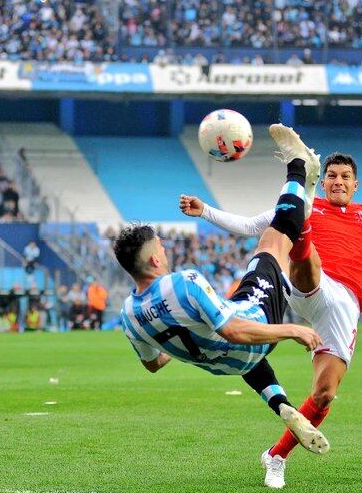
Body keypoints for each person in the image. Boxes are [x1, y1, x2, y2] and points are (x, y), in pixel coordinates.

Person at [181, 150, 362, 488]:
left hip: (344, 305)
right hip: (309, 283)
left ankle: (276, 456)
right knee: (306, 256)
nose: (338, 181)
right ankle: (303, 235)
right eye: (332, 176)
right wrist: (204, 210)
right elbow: (252, 225)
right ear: (322, 182)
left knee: (324, 394)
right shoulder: (311, 208)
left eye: (344, 177)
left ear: (355, 184)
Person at [116, 124, 330, 458]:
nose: (167, 251)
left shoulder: (128, 316)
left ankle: (283, 405)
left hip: (228, 365)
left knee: (236, 332)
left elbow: (153, 365)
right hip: (252, 330)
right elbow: (234, 330)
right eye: (163, 247)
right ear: (156, 258)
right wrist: (292, 330)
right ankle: (298, 166)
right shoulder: (184, 282)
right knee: (273, 241)